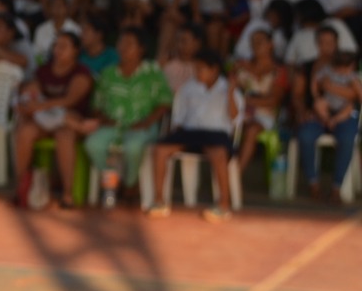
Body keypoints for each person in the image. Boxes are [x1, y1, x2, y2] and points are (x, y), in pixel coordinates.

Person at [149, 51, 243, 221]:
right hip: (189, 132)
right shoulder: (188, 88)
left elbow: (236, 118)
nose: (197, 73)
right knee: (160, 150)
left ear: (214, 70)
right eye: (195, 69)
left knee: (219, 153)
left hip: (217, 134)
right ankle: (158, 200)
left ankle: (223, 204)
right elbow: (178, 117)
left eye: (201, 69)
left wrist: (230, 93)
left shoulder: (228, 88)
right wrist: (176, 135)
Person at [80, 28, 173, 192]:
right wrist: (103, 119)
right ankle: (114, 181)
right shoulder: (108, 73)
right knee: (92, 144)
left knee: (133, 147)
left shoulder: (152, 72)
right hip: (111, 125)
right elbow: (96, 104)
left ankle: (130, 184)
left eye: (129, 44)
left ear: (141, 48)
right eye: (121, 43)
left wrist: (146, 122)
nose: (123, 47)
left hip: (143, 125)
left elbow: (165, 102)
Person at [14, 29, 95, 209]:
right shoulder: (43, 71)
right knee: (25, 131)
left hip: (69, 119)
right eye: (56, 46)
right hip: (45, 120)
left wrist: (40, 106)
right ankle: (20, 188)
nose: (58, 50)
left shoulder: (81, 73)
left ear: (75, 50)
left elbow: (70, 100)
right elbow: (32, 91)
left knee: (64, 135)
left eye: (63, 46)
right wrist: (28, 102)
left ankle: (67, 194)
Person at [294, 26, 362, 201]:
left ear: (337, 44)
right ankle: (313, 184)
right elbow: (300, 94)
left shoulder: (346, 65)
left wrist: (331, 87)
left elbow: (355, 95)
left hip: (344, 115)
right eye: (322, 43)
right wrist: (306, 110)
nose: (326, 47)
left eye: (330, 43)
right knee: (306, 136)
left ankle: (337, 187)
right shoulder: (308, 67)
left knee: (348, 139)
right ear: (317, 44)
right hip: (316, 116)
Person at [234, 28, 289, 182]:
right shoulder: (240, 66)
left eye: (260, 41)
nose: (256, 45)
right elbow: (230, 90)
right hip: (237, 112)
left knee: (252, 130)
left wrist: (245, 100)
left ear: (271, 44)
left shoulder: (278, 71)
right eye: (253, 42)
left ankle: (235, 174)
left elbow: (273, 101)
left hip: (265, 116)